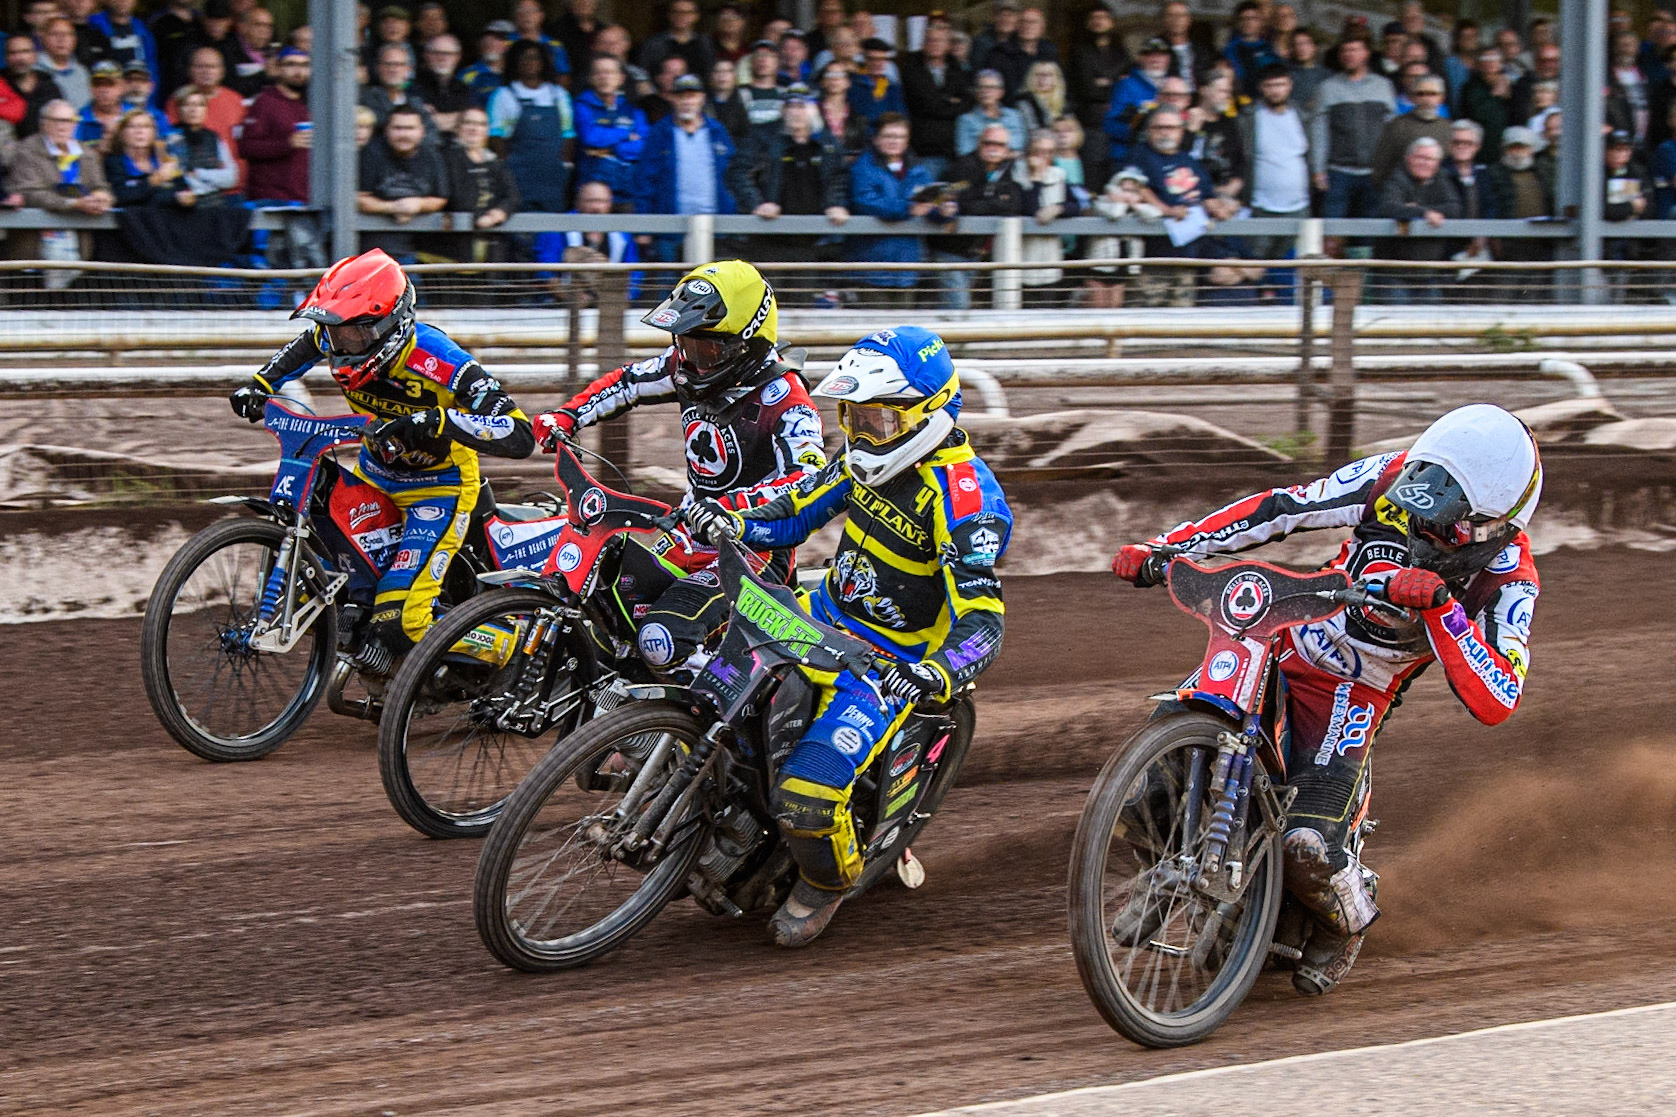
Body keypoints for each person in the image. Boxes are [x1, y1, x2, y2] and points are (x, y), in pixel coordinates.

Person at [1112, 405, 1543, 995]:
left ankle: (1348, 918)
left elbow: (1499, 696)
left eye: (1443, 523)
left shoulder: (1509, 579)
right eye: (1421, 500)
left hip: (1354, 694)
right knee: (1150, 775)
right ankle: (1167, 866)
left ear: (1495, 525)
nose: (1421, 526)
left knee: (1305, 845)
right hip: (1281, 633)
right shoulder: (1390, 478)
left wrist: (1442, 609)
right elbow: (1284, 507)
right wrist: (1168, 546)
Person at [683, 325, 1012, 947]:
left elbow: (984, 619)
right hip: (818, 613)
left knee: (805, 796)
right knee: (702, 687)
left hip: (889, 659)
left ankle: (827, 882)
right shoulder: (858, 459)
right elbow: (796, 511)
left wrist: (935, 672)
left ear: (930, 414)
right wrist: (728, 519)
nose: (862, 435)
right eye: (852, 417)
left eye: (878, 422)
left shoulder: (965, 498)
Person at [230, 250, 534, 676]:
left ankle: (515, 645)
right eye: (334, 335)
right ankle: (390, 673)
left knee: (399, 620)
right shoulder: (337, 335)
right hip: (375, 477)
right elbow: (305, 346)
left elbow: (519, 433)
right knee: (351, 593)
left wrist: (438, 421)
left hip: (439, 489)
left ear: (389, 326)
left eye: (351, 337)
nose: (339, 346)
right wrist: (260, 383)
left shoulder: (437, 356)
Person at [530, 260, 827, 674]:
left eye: (707, 348)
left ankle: (719, 714)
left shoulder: (787, 401)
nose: (694, 360)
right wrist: (566, 416)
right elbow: (627, 381)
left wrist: (733, 505)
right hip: (688, 533)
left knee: (661, 639)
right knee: (612, 603)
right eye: (686, 344)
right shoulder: (683, 366)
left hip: (752, 550)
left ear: (748, 342)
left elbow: (811, 479)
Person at [728, 85, 849, 288]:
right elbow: (737, 172)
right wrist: (757, 204)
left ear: (814, 109)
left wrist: (834, 203)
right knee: (765, 303)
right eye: (790, 105)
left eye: (802, 105)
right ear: (783, 110)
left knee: (804, 308)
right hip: (768, 237)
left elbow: (839, 176)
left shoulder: (828, 142)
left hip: (810, 241)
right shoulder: (763, 136)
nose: (795, 111)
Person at [632, 73, 734, 262]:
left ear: (702, 98)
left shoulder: (717, 131)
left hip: (715, 226)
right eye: (681, 96)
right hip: (670, 228)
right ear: (672, 98)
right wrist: (643, 227)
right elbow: (645, 181)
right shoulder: (660, 132)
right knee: (671, 287)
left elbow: (731, 174)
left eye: (692, 95)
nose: (687, 101)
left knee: (714, 287)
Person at [5, 98, 112, 264]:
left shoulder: (87, 153)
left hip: (79, 244)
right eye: (56, 121)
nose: (62, 127)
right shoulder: (27, 150)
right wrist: (72, 203)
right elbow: (28, 193)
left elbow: (101, 186)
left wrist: (102, 197)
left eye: (69, 121)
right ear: (43, 123)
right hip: (33, 247)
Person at [847, 113, 935, 305]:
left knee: (903, 329)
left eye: (900, 137)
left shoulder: (917, 168)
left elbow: (930, 200)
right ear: (876, 138)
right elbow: (865, 201)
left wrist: (943, 211)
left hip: (908, 266)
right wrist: (908, 208)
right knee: (875, 329)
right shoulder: (863, 167)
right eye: (888, 136)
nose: (894, 141)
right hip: (871, 265)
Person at [1310, 31, 1396, 224]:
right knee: (1331, 230)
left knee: (1367, 233)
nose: (1349, 55)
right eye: (1345, 51)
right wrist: (1318, 169)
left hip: (1374, 173)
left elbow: (1392, 129)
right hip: (1338, 172)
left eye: (1354, 50)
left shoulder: (1384, 86)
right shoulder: (1327, 87)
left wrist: (1391, 167)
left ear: (1366, 54)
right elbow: (1319, 130)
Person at [488, 39, 576, 213]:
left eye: (535, 58)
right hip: (518, 179)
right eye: (524, 58)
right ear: (515, 62)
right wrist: (507, 174)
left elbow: (568, 135)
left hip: (553, 179)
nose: (530, 62)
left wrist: (565, 167)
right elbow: (496, 138)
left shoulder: (558, 95)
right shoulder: (504, 95)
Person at [1373, 136, 1463, 302]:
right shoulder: (1396, 178)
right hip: (1394, 274)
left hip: (1429, 273)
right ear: (1408, 158)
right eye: (1420, 157)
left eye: (1430, 159)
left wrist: (1414, 209)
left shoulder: (1442, 179)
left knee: (1429, 327)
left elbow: (1454, 209)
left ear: (1437, 163)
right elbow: (1389, 207)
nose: (1424, 163)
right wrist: (1425, 214)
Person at [1239, 62, 1310, 262]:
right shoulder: (1249, 117)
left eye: (1280, 84)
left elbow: (1308, 156)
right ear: (1261, 88)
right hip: (1261, 206)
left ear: (1289, 86)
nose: (1275, 90)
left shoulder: (1302, 115)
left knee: (1290, 268)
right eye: (1270, 85)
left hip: (1299, 206)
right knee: (1255, 263)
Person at [357, 105, 449, 262]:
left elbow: (441, 198)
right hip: (374, 251)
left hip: (420, 249)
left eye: (410, 128)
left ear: (422, 131)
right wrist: (394, 208)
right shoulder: (370, 153)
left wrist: (418, 204)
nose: (404, 134)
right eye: (398, 128)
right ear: (387, 130)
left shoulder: (432, 157)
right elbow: (358, 198)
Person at [444, 105, 519, 263]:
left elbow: (513, 196)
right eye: (468, 123)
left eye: (480, 124)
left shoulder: (495, 162)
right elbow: (456, 198)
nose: (474, 128)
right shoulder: (446, 158)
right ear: (458, 128)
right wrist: (481, 217)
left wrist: (498, 213)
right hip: (452, 251)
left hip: (490, 250)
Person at [239, 46, 310, 205]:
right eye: (291, 65)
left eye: (305, 65)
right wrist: (288, 144)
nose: (299, 71)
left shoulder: (310, 104)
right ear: (278, 68)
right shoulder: (264, 102)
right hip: (272, 200)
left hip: (305, 198)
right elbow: (246, 147)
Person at [574, 55, 646, 205]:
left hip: (628, 190)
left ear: (621, 78)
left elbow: (644, 144)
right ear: (590, 78)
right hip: (593, 191)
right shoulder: (582, 105)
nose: (604, 77)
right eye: (598, 72)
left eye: (609, 72)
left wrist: (613, 148)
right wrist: (625, 134)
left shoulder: (632, 108)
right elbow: (590, 137)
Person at [1371, 73, 1452, 185]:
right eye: (1421, 94)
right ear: (1413, 97)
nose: (1427, 99)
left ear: (1442, 97)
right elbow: (1383, 164)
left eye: (1432, 94)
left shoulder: (1448, 128)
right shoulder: (1397, 125)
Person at [1103, 37, 1170, 165]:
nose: (1155, 59)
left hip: (1165, 156)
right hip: (1130, 155)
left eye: (1161, 55)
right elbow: (1109, 124)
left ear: (1168, 59)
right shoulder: (1126, 85)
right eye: (1149, 55)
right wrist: (1135, 128)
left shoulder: (1174, 86)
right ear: (1140, 58)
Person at [171, 88, 238, 204]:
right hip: (183, 205)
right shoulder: (171, 138)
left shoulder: (214, 137)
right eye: (187, 105)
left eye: (199, 105)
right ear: (179, 109)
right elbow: (179, 178)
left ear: (206, 110)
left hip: (215, 204)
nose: (193, 110)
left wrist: (198, 173)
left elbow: (231, 178)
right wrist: (214, 178)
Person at [637, 0, 715, 84]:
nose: (681, 16)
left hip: (699, 94)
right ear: (669, 15)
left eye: (687, 12)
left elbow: (711, 73)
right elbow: (642, 72)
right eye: (676, 11)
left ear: (696, 16)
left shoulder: (705, 43)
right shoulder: (653, 43)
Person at [991, 6, 1057, 99]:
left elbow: (1060, 83)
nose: (1028, 26)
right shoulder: (1001, 53)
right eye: (1023, 22)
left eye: (1033, 22)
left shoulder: (1050, 51)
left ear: (1042, 27)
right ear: (1017, 26)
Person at [1461, 47, 1514, 164]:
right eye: (1485, 58)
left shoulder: (1511, 86)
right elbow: (1479, 113)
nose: (1490, 62)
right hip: (1480, 152)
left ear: (1501, 63)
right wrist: (1495, 94)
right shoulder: (1470, 87)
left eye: (1494, 58)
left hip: (1504, 151)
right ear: (1479, 64)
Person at [956, 69, 1025, 156]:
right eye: (981, 87)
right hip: (978, 166)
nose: (986, 92)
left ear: (1001, 92)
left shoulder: (1014, 115)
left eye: (991, 87)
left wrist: (984, 142)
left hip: (1010, 165)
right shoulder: (966, 120)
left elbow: (1019, 145)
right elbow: (964, 151)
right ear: (975, 92)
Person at [415, 34, 474, 135]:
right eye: (436, 53)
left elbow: (473, 122)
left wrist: (432, 118)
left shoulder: (466, 89)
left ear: (458, 57)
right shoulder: (412, 87)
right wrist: (460, 117)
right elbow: (415, 123)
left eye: (448, 53)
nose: (442, 58)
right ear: (426, 55)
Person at [6, 35, 62, 139]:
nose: (20, 58)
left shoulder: (49, 87)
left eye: (25, 51)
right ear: (6, 58)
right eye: (13, 53)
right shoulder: (2, 86)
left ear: (34, 55)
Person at [1223, 0, 1278, 97]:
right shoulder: (1230, 49)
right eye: (1244, 18)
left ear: (1261, 22)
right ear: (1238, 22)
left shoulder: (1269, 48)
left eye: (1253, 18)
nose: (1249, 22)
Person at [815, 60, 867, 162]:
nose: (834, 78)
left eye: (840, 74)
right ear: (822, 82)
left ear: (848, 82)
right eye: (829, 74)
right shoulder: (812, 113)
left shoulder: (859, 118)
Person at [847, 37, 905, 126]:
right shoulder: (852, 84)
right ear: (864, 59)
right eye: (872, 59)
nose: (877, 63)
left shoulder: (893, 87)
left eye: (882, 59)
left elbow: (900, 117)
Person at [39, 16, 93, 111]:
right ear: (43, 38)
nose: (61, 39)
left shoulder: (82, 71)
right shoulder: (35, 69)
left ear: (74, 39)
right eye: (55, 34)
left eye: (67, 34)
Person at [511, 0, 572, 79]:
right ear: (516, 16)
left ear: (541, 16)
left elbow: (563, 75)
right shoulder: (506, 44)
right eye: (522, 10)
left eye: (532, 11)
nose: (527, 15)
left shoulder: (554, 46)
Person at [459, 20, 513, 105]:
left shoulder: (516, 73)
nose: (491, 43)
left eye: (499, 39)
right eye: (487, 39)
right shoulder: (467, 75)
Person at [1013, 60, 1067, 136]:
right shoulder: (1024, 102)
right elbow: (1033, 131)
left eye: (1048, 75)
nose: (1042, 79)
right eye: (1038, 75)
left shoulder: (1065, 105)